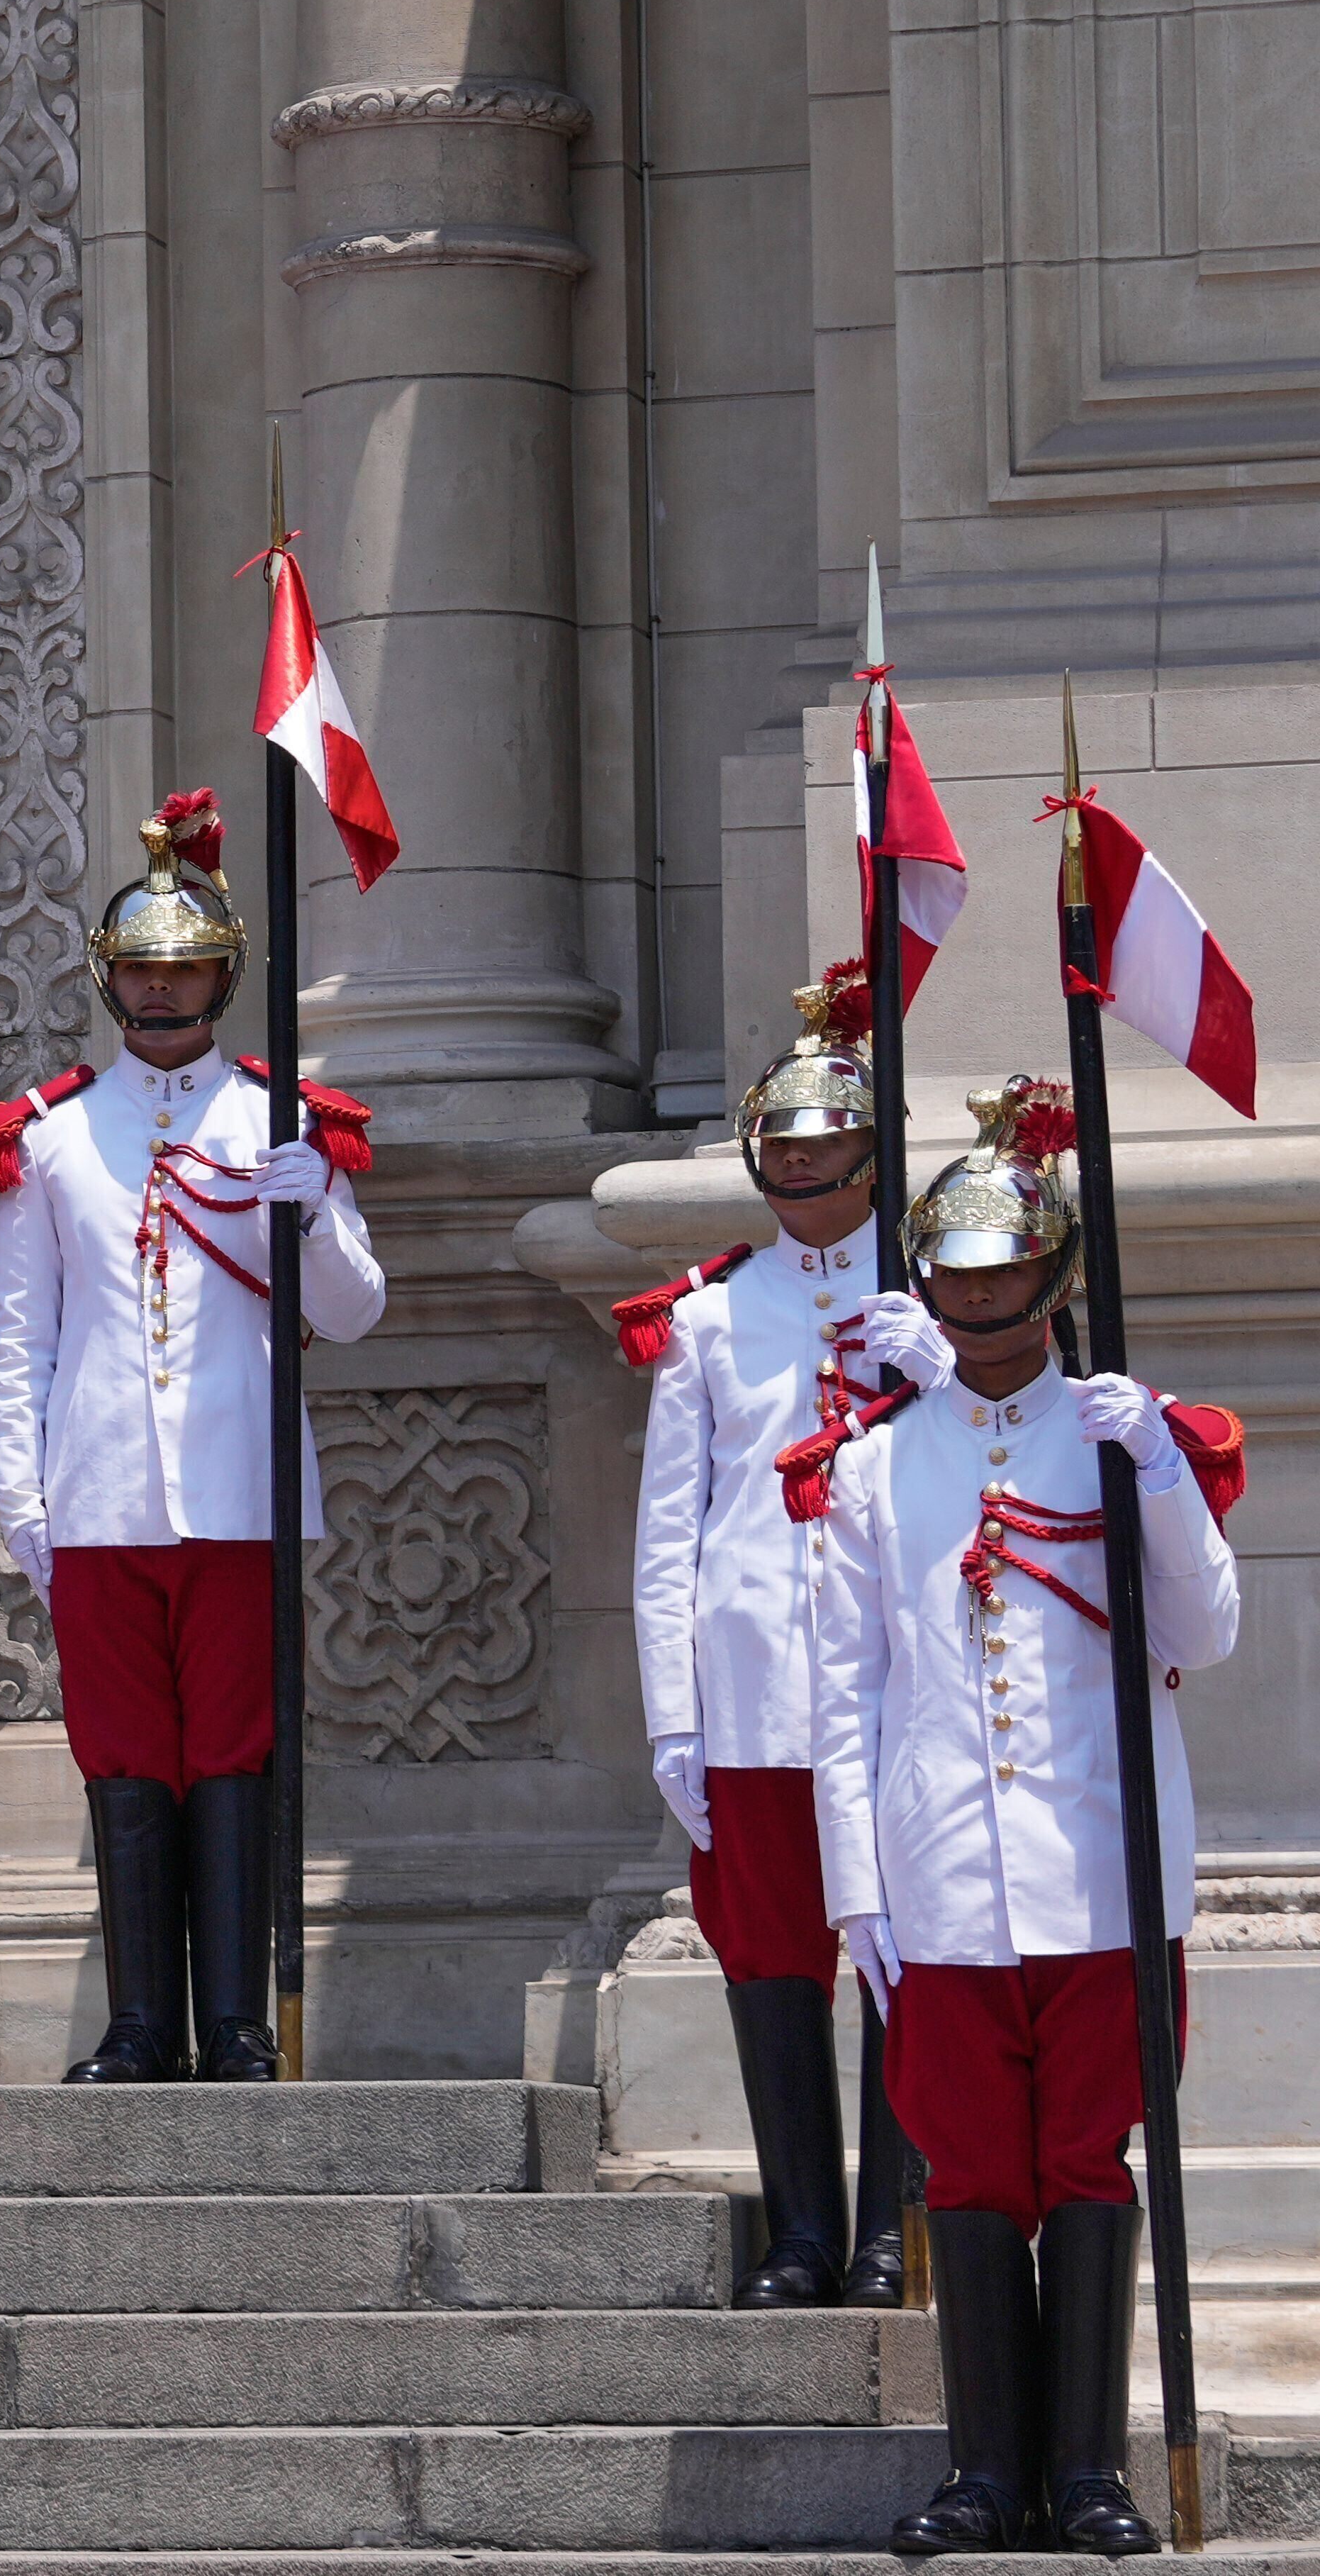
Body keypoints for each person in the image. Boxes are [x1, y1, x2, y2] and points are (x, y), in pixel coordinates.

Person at [802, 1078, 1241, 2561]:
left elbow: (1207, 1631)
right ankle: (984, 2471)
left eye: (1004, 1272)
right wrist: (856, 1888)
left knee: (1083, 2164)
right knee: (971, 2169)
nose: (981, 1299)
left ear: (1053, 1277)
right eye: (958, 1275)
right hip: (939, 1876)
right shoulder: (869, 1466)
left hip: (1101, 1872)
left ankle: (1089, 2473)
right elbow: (845, 1693)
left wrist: (1165, 1476)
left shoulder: (1123, 1440)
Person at [0, 790, 384, 2083]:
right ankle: (142, 2023)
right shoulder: (48, 1137)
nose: (164, 996)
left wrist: (314, 1208)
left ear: (223, 974)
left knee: (231, 1751)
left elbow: (352, 1315)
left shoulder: (283, 1122)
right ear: (110, 983)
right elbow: (16, 1339)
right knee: (123, 1756)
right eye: (144, 972)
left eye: (188, 969)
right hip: (97, 1495)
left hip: (235, 1491)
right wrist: (22, 1505)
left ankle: (239, 2025)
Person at [615, 966, 912, 2306]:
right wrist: (671, 1717)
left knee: (909, 1949)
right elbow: (664, 1538)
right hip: (751, 1691)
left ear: (871, 1148)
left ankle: (896, 2227)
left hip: (901, 1684)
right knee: (772, 1960)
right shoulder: (705, 1316)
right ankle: (802, 2227)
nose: (799, 1168)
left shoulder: (935, 1296)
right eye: (779, 1148)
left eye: (823, 1145)